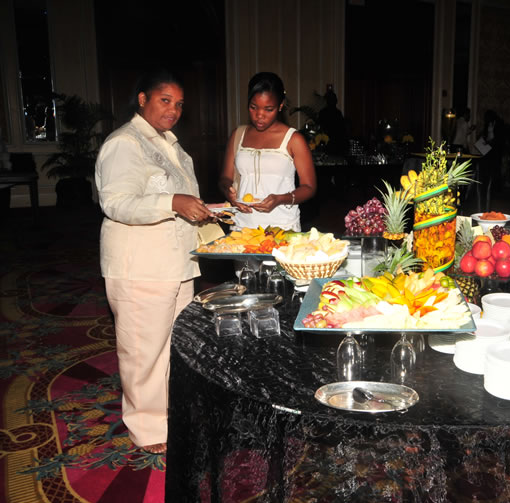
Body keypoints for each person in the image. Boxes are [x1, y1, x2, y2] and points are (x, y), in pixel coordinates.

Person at [95, 68, 215, 455]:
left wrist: (212, 216)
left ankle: (169, 413)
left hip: (176, 263)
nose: (173, 110)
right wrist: (173, 202)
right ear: (143, 99)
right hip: (140, 265)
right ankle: (146, 428)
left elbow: (182, 202)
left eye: (179, 104)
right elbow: (117, 203)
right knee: (143, 350)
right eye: (165, 100)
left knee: (172, 346)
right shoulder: (124, 143)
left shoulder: (170, 146)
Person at [219, 72, 317, 231]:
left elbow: (309, 187)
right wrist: (228, 192)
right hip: (242, 225)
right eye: (253, 107)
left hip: (281, 226)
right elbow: (225, 178)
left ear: (280, 106)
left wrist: (280, 199)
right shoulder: (238, 135)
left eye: (268, 109)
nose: (259, 116)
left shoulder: (294, 139)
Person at [317, 86, 347, 155]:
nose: (334, 101)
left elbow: (342, 129)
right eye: (332, 99)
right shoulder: (323, 113)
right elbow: (320, 128)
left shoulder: (337, 113)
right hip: (327, 143)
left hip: (337, 143)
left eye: (334, 99)